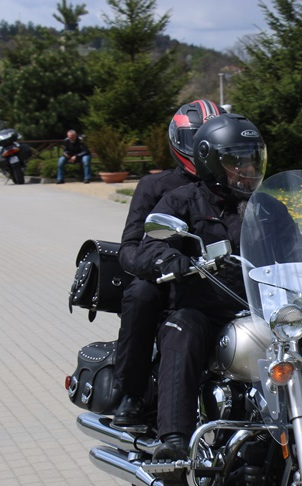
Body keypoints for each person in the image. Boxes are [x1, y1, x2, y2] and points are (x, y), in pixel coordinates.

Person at [125, 113, 269, 464]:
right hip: (203, 309)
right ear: (212, 163)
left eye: (253, 160)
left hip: (256, 308)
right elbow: (147, 246)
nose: (248, 170)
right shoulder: (181, 201)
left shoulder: (266, 207)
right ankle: (174, 441)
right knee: (182, 328)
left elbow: (296, 248)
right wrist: (168, 258)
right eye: (238, 162)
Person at [111, 99, 224, 430]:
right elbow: (130, 247)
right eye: (195, 139)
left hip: (218, 278)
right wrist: (160, 263)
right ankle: (131, 391)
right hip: (165, 276)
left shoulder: (229, 185)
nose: (201, 148)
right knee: (141, 295)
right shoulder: (155, 186)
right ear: (178, 140)